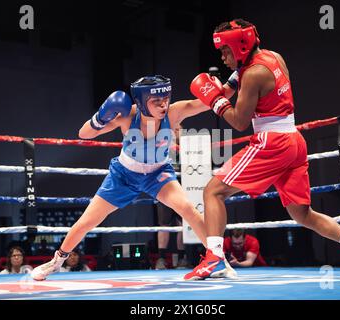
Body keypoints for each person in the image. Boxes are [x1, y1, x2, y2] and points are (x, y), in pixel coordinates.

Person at [185, 19, 340, 280]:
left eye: (225, 50)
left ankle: (214, 259)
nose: (222, 57)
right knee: (302, 214)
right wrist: (226, 86)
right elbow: (241, 77)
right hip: (293, 141)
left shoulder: (254, 74)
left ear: (240, 46)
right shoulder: (273, 57)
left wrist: (215, 99)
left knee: (213, 191)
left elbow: (239, 121)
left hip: (272, 142)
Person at [32, 75, 236, 280]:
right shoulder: (127, 116)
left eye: (165, 98)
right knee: (87, 221)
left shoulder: (174, 112)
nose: (163, 104)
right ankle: (56, 262)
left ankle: (219, 261)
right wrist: (100, 116)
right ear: (141, 102)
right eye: (156, 101)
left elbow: (210, 101)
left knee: (187, 209)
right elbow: (84, 134)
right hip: (124, 175)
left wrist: (235, 78)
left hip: (158, 173)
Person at [155, 124, 188, 270]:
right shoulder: (161, 148)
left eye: (178, 129)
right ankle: (161, 259)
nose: (175, 132)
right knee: (164, 224)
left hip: (184, 188)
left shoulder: (189, 149)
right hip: (165, 188)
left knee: (183, 224)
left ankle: (182, 258)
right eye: (173, 129)